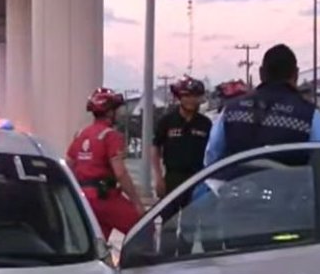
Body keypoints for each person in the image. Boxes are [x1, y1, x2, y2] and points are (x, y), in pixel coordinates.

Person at [203, 44, 320, 175]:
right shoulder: (308, 115)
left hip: (237, 197)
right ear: (296, 74)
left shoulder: (230, 111)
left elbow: (211, 158)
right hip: (289, 198)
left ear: (261, 73)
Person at [66, 87, 146, 239]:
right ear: (110, 112)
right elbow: (120, 173)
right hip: (106, 197)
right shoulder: (111, 136)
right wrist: (137, 202)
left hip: (84, 199)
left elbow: (69, 165)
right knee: (142, 228)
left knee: (98, 240)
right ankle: (139, 262)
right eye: (117, 109)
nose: (120, 113)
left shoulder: (81, 134)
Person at [151, 76, 212, 199]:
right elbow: (155, 147)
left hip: (198, 179)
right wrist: (158, 177)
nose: (191, 100)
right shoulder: (167, 121)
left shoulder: (206, 124)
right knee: (171, 218)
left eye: (195, 96)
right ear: (180, 97)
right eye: (187, 96)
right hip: (173, 178)